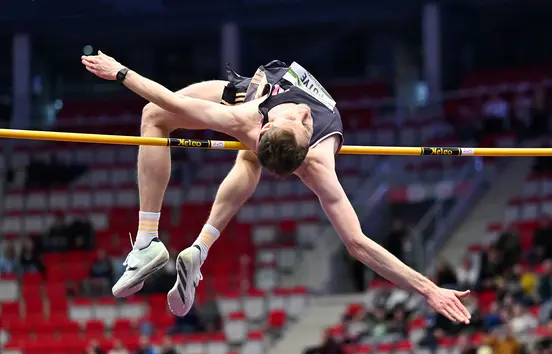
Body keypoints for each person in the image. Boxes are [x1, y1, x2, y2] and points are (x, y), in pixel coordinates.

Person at [81, 51, 472, 324]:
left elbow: (358, 244)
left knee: (237, 153)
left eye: (303, 125)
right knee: (171, 124)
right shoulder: (256, 123)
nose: (301, 115)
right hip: (254, 88)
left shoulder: (301, 155)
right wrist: (121, 73)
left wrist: (428, 289)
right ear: (265, 128)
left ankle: (172, 245)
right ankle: (174, 246)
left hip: (257, 94)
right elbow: (173, 103)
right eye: (299, 122)